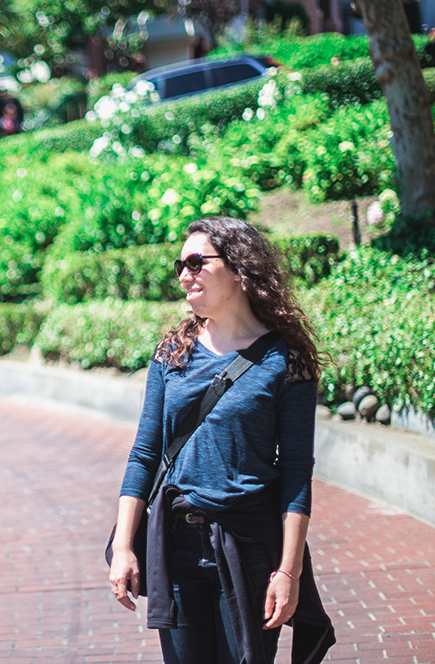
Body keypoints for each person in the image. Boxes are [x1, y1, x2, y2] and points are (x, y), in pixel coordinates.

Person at [108, 216, 335, 664]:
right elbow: (145, 455)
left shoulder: (285, 360)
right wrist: (122, 547)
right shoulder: (171, 354)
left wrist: (289, 570)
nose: (184, 274)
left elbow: (296, 473)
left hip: (249, 547)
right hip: (175, 546)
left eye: (196, 262)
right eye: (179, 265)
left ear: (239, 267)